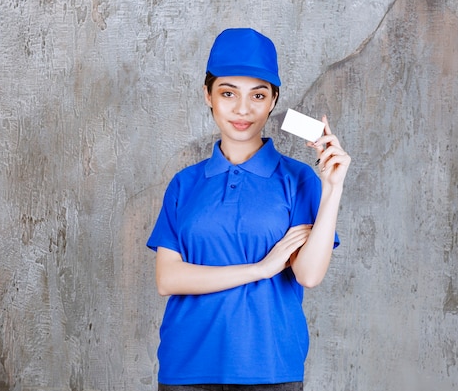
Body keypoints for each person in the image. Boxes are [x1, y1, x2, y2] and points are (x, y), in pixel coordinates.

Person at [147, 28, 351, 391]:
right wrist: (261, 269)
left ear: (273, 100)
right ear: (208, 95)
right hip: (186, 368)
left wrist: (332, 187)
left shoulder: (299, 179)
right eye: (228, 93)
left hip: (271, 368)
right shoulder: (185, 183)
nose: (243, 109)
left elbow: (308, 275)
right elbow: (168, 279)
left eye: (258, 94)